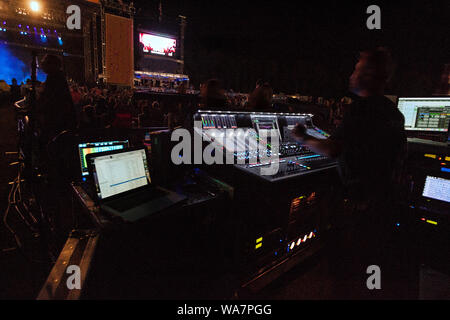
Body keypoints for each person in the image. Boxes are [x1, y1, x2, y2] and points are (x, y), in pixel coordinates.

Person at [292, 47, 407, 298]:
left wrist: (302, 138)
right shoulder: (395, 114)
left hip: (360, 210)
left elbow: (333, 149)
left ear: (367, 75)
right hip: (384, 207)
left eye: (357, 70)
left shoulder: (361, 109)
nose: (351, 75)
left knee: (346, 275)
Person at [36, 54, 76, 142]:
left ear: (52, 65)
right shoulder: (57, 76)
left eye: (45, 63)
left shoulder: (55, 78)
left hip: (57, 120)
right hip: (60, 118)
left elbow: (51, 99)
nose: (42, 65)